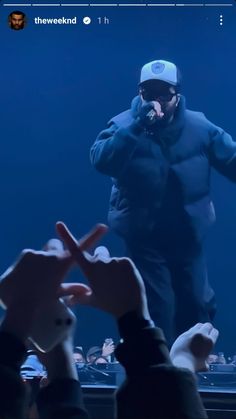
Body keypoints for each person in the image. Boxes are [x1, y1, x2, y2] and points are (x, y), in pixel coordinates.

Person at [90, 59, 236, 344]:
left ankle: (189, 369)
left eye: (164, 94)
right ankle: (160, 368)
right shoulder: (122, 125)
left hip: (188, 233)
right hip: (144, 235)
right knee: (159, 306)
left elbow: (231, 159)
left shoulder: (199, 126)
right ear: (139, 93)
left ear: (177, 94)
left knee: (198, 304)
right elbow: (101, 161)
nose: (156, 100)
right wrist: (135, 128)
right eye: (149, 93)